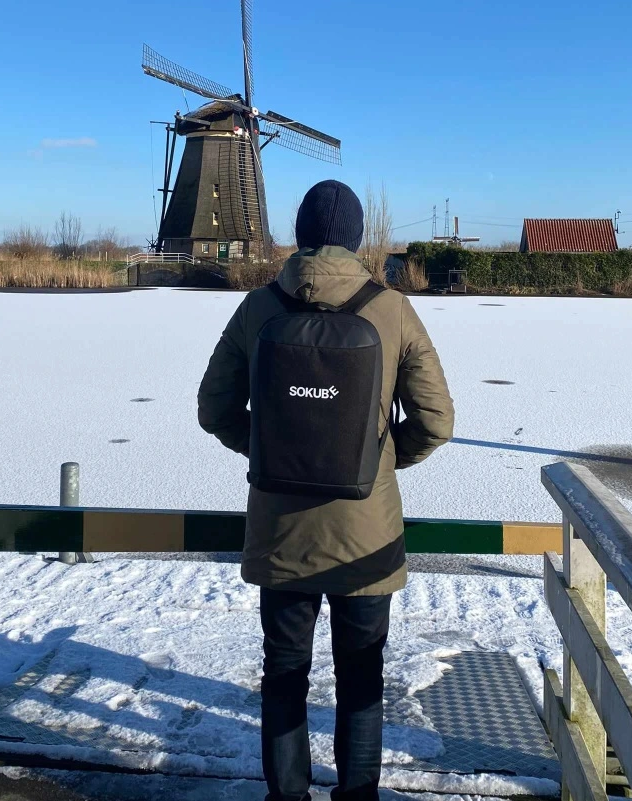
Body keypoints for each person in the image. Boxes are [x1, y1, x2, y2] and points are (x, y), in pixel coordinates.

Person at [198, 180, 454, 801]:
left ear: (300, 233)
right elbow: (436, 421)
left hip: (281, 531)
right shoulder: (391, 310)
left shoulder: (258, 307)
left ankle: (287, 796)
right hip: (366, 533)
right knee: (361, 676)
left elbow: (214, 409)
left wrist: (269, 451)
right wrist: (378, 462)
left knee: (285, 671)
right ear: (357, 238)